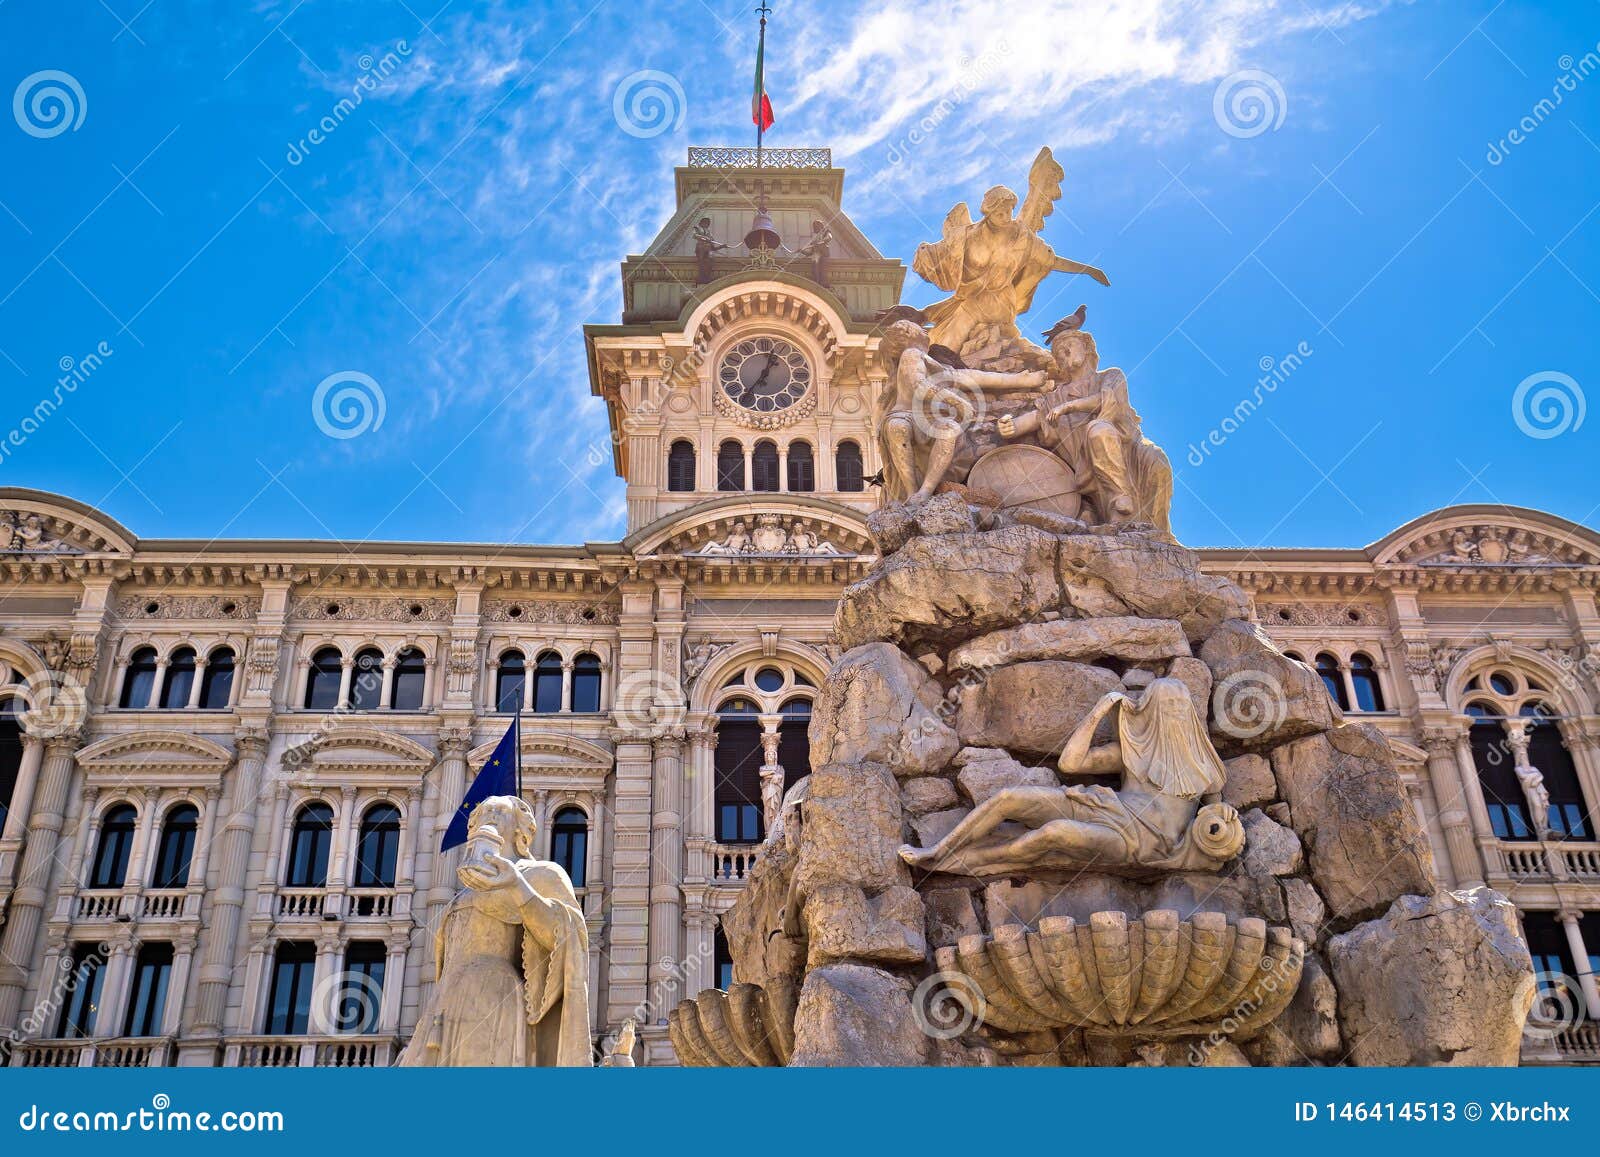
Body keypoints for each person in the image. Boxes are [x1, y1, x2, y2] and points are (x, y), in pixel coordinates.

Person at [899, 679, 1240, 875]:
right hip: (1107, 808)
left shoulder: (1207, 770)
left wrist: (1222, 827)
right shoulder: (1132, 754)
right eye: (1167, 707)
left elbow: (1217, 823)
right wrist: (1100, 709)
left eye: (1182, 706)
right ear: (1150, 714)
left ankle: (960, 864)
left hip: (1139, 843)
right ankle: (937, 850)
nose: (1176, 714)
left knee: (1053, 833)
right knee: (1008, 799)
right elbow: (1071, 763)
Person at [401, 796, 591, 1066]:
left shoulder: (540, 874)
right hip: (444, 1005)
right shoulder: (463, 892)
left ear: (520, 829)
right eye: (483, 811)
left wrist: (517, 886)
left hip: (495, 999)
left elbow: (565, 936)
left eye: (499, 811)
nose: (489, 815)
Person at [874, 319, 1049, 504]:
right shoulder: (911, 354)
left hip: (929, 419)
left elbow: (972, 377)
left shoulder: (934, 364)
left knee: (948, 429)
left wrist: (1021, 380)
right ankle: (913, 492)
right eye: (919, 328)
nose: (925, 331)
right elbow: (918, 385)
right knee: (898, 427)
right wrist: (955, 400)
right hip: (907, 415)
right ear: (908, 334)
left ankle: (924, 491)